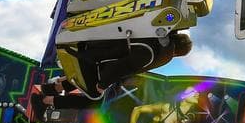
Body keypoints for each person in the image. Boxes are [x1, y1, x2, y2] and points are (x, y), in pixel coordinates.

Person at [35, 32, 192, 106]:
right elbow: (121, 66)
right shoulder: (152, 54)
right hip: (90, 58)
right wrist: (103, 85)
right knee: (95, 98)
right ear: (177, 54)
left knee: (90, 80)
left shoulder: (157, 35)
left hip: (93, 49)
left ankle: (54, 88)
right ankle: (46, 101)